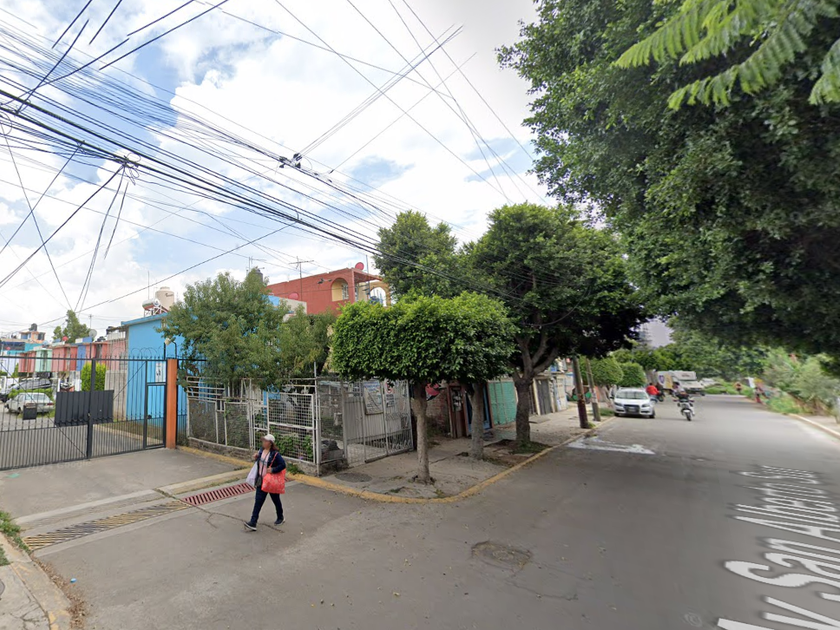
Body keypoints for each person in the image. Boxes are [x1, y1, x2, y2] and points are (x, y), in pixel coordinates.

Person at [244, 434, 286, 531]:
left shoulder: (275, 454)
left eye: (265, 441)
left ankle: (280, 517)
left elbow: (283, 465)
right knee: (258, 501)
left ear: (270, 443)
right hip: (261, 480)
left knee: (276, 500)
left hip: (270, 481)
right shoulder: (261, 450)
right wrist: (256, 457)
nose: (263, 442)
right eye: (263, 440)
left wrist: (273, 470)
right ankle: (253, 522)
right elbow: (260, 462)